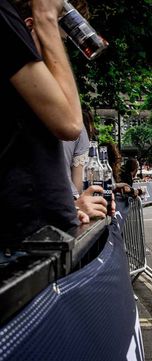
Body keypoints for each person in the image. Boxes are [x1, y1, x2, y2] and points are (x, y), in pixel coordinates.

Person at [1, 0, 84, 248]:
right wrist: (47, 18)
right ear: (30, 25)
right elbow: (69, 123)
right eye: (60, 41)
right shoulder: (4, 18)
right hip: (23, 246)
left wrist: (72, 205)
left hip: (35, 238)